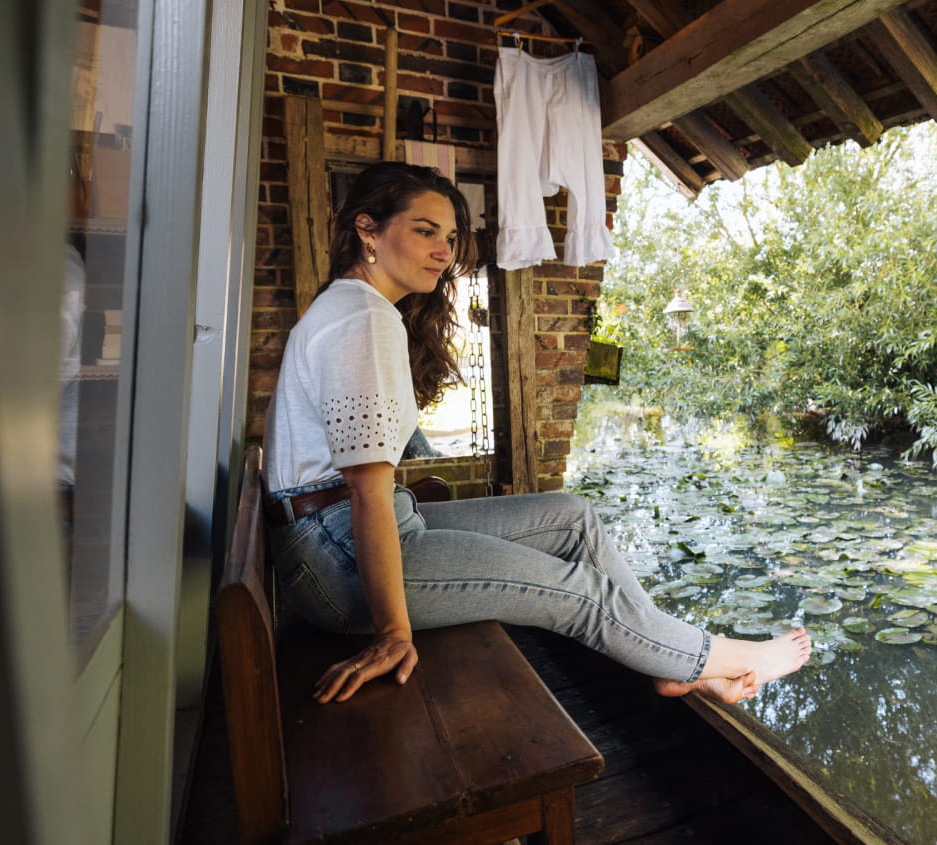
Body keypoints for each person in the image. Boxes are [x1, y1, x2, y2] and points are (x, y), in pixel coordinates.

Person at [263, 162, 811, 705]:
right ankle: (725, 656)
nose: (444, 251)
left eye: (450, 237)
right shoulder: (362, 318)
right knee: (577, 592)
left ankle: (675, 661)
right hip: (337, 561)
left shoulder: (355, 307)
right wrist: (394, 635)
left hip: (341, 535)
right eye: (424, 231)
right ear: (368, 229)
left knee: (573, 517)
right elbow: (366, 491)